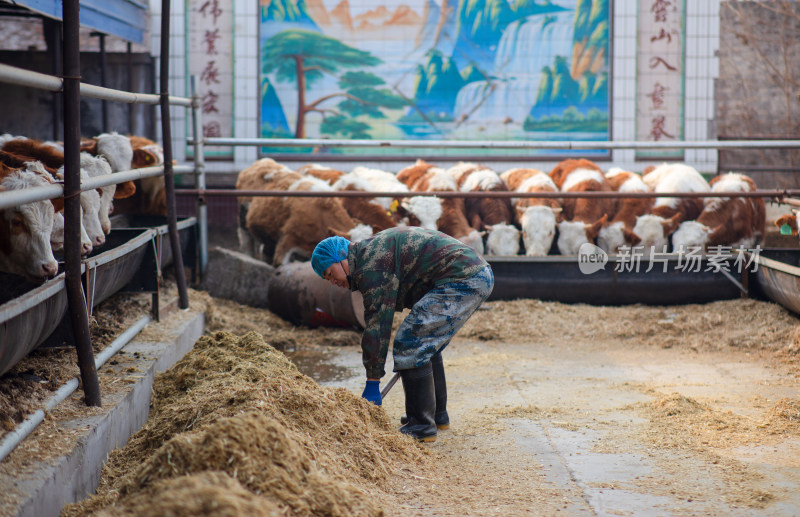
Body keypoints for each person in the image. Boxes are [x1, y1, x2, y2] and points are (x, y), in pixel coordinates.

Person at [311, 227, 494, 442]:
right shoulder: (369, 255)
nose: (333, 282)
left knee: (411, 341)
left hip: (464, 278)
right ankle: (435, 415)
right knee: (424, 342)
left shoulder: (371, 266)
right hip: (471, 273)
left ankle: (421, 427)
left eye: (331, 274)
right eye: (327, 280)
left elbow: (377, 326)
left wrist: (372, 383)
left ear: (341, 257)